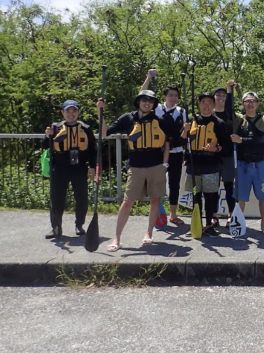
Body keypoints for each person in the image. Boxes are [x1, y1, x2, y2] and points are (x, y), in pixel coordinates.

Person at [98, 89, 176, 251]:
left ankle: (149, 233)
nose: (147, 103)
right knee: (127, 202)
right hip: (136, 165)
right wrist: (101, 112)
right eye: (144, 100)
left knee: (155, 200)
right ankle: (117, 239)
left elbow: (167, 144)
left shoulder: (161, 119)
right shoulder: (128, 118)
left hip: (156, 165)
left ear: (154, 104)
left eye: (150, 101)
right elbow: (104, 133)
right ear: (138, 102)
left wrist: (165, 164)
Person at [43, 100, 96, 239]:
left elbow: (93, 150)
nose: (71, 114)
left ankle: (79, 225)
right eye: (68, 111)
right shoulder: (55, 128)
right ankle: (56, 227)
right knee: (57, 199)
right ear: (63, 113)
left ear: (78, 112)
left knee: (81, 198)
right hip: (59, 168)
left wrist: (92, 166)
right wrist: (47, 135)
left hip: (79, 167)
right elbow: (45, 146)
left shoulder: (85, 128)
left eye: (74, 111)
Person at [181, 91, 231, 236]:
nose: (206, 105)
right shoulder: (191, 120)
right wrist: (185, 130)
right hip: (194, 163)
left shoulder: (219, 124)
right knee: (196, 196)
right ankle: (197, 223)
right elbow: (180, 141)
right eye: (203, 102)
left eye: (209, 102)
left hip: (211, 164)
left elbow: (226, 146)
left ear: (214, 105)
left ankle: (209, 224)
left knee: (210, 196)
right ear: (199, 104)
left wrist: (216, 148)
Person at [142, 69, 186, 225]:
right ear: (165, 96)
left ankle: (173, 214)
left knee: (174, 184)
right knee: (156, 183)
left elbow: (184, 134)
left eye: (175, 95)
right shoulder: (156, 108)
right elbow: (142, 94)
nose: (173, 97)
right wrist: (148, 77)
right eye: (170, 95)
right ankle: (158, 211)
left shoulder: (182, 111)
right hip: (158, 152)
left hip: (176, 152)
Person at [231, 91, 264, 233]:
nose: (250, 104)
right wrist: (230, 90)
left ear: (257, 103)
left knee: (263, 195)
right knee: (241, 196)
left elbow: (260, 140)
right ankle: (240, 222)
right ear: (243, 104)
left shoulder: (263, 120)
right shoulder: (239, 120)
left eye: (253, 101)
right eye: (247, 101)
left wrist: (242, 140)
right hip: (242, 164)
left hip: (259, 163)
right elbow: (227, 110)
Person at [213, 82, 236, 220]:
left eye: (223, 95)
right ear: (213, 97)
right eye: (218, 95)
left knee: (229, 187)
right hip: (212, 157)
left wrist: (229, 88)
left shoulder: (230, 114)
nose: (221, 97)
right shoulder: (209, 114)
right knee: (213, 189)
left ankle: (231, 215)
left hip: (227, 155)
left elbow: (230, 101)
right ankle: (213, 216)